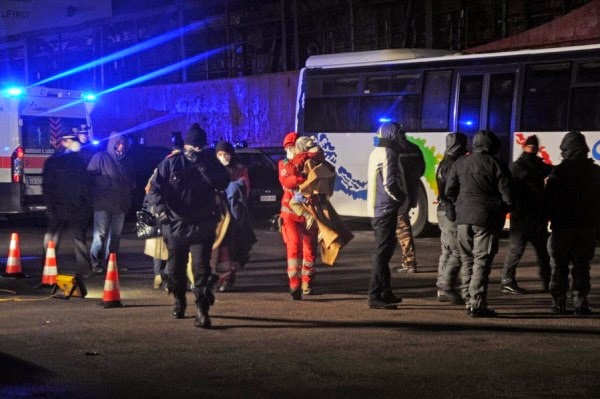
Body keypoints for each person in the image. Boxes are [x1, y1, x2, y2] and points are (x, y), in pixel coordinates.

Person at [147, 124, 229, 328]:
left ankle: (202, 311)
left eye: (201, 147)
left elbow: (222, 183)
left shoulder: (210, 162)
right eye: (194, 147)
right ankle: (179, 300)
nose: (197, 151)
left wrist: (202, 164)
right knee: (175, 270)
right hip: (176, 225)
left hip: (202, 225)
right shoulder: (172, 162)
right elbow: (154, 188)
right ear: (186, 146)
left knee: (201, 270)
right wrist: (161, 210)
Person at [445, 130, 513, 318]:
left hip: (463, 218)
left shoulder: (460, 162)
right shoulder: (496, 164)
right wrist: (502, 209)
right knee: (482, 261)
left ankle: (468, 299)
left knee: (467, 259)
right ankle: (477, 303)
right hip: (487, 218)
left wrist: (459, 205)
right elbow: (508, 195)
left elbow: (449, 191)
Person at [544, 131, 600, 315]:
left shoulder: (559, 172)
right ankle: (580, 304)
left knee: (559, 266)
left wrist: (548, 220)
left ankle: (558, 303)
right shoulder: (595, 171)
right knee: (582, 266)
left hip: (562, 227)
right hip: (586, 227)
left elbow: (548, 200)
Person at [501, 135, 553, 294]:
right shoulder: (519, 166)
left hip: (535, 217)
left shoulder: (536, 164)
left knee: (543, 253)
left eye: (534, 146)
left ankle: (548, 281)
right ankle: (507, 281)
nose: (533, 149)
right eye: (530, 146)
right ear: (524, 147)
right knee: (516, 251)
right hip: (523, 216)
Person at [42, 132, 94, 278]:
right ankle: (85, 270)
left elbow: (47, 186)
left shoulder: (53, 162)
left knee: (52, 239)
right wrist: (86, 205)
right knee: (77, 240)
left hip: (60, 206)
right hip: (74, 207)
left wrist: (49, 205)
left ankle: (48, 267)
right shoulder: (79, 162)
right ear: (65, 142)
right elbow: (86, 186)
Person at [366, 122, 406, 309]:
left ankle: (385, 292)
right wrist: (401, 197)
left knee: (385, 250)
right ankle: (375, 295)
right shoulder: (388, 153)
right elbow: (390, 183)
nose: (402, 137)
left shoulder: (377, 151)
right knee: (382, 253)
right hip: (385, 208)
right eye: (399, 133)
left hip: (378, 208)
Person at [87, 132, 136, 273]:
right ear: (113, 143)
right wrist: (102, 186)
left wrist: (130, 186)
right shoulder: (100, 157)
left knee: (115, 236)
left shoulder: (127, 161)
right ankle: (96, 263)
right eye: (119, 143)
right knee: (100, 235)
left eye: (124, 144)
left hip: (120, 204)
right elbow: (89, 178)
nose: (121, 146)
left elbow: (132, 180)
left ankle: (112, 262)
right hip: (103, 203)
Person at [278, 132, 319, 300]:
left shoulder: (313, 161)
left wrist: (307, 157)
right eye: (287, 148)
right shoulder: (284, 164)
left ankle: (306, 282)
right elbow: (288, 181)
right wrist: (303, 174)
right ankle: (294, 283)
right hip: (290, 216)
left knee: (310, 250)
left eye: (291, 147)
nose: (289, 151)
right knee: (294, 248)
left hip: (310, 214)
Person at [213, 140, 256, 292]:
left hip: (234, 216)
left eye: (226, 154)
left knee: (232, 247)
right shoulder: (212, 169)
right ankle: (222, 277)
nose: (223, 157)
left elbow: (244, 189)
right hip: (218, 215)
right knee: (219, 247)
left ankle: (228, 277)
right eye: (220, 154)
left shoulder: (239, 170)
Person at [435, 132, 468, 304]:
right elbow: (450, 191)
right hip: (450, 211)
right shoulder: (454, 164)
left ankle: (443, 287)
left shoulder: (445, 162)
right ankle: (445, 286)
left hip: (444, 210)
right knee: (455, 250)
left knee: (447, 249)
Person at [393, 125, 425, 273]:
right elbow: (422, 169)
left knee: (402, 231)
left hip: (398, 196)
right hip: (412, 193)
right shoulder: (414, 148)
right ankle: (407, 262)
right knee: (402, 229)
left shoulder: (394, 150)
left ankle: (409, 263)